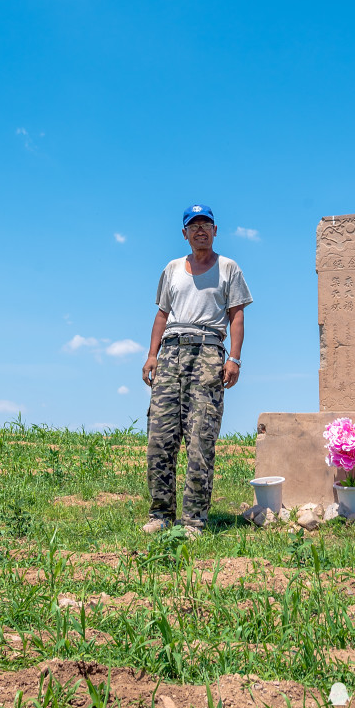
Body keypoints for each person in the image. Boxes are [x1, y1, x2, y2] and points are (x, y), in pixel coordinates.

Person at [141, 204, 253, 538]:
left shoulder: (228, 268)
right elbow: (162, 314)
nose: (200, 230)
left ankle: (192, 519)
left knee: (200, 435)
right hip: (171, 350)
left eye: (206, 224)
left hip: (208, 351)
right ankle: (161, 513)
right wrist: (151, 355)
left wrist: (233, 359)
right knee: (160, 436)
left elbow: (236, 316)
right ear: (184, 233)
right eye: (194, 225)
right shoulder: (172, 268)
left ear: (215, 231)